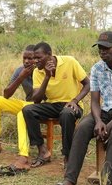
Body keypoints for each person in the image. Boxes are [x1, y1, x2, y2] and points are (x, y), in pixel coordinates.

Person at [43, 31, 112, 185]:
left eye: (107, 48)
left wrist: (110, 124)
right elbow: (94, 100)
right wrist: (99, 120)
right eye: (100, 48)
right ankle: (69, 181)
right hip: (104, 112)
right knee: (83, 127)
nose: (103, 52)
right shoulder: (97, 68)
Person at [14, 42, 90, 172]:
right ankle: (42, 150)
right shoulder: (38, 71)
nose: (36, 61)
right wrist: (47, 76)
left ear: (49, 55)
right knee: (28, 110)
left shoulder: (69, 62)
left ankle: (68, 156)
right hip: (52, 105)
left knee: (66, 114)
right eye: (35, 58)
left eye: (39, 58)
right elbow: (37, 100)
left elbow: (88, 84)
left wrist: (75, 100)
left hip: (71, 104)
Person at [0, 44, 34, 161]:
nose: (26, 61)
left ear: (37, 58)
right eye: (24, 58)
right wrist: (20, 78)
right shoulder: (20, 70)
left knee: (22, 112)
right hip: (27, 104)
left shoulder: (42, 70)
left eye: (30, 58)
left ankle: (23, 153)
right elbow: (6, 94)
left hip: (42, 106)